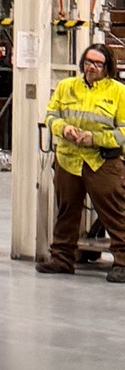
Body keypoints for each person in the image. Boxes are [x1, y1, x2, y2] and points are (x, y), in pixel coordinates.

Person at [41, 41, 125, 276]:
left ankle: (123, 262)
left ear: (108, 66)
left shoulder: (119, 92)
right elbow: (50, 115)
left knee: (115, 213)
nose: (92, 67)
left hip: (102, 161)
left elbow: (124, 131)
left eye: (98, 63)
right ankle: (62, 258)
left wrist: (95, 138)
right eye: (89, 62)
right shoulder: (66, 86)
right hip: (68, 160)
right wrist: (62, 128)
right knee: (67, 212)